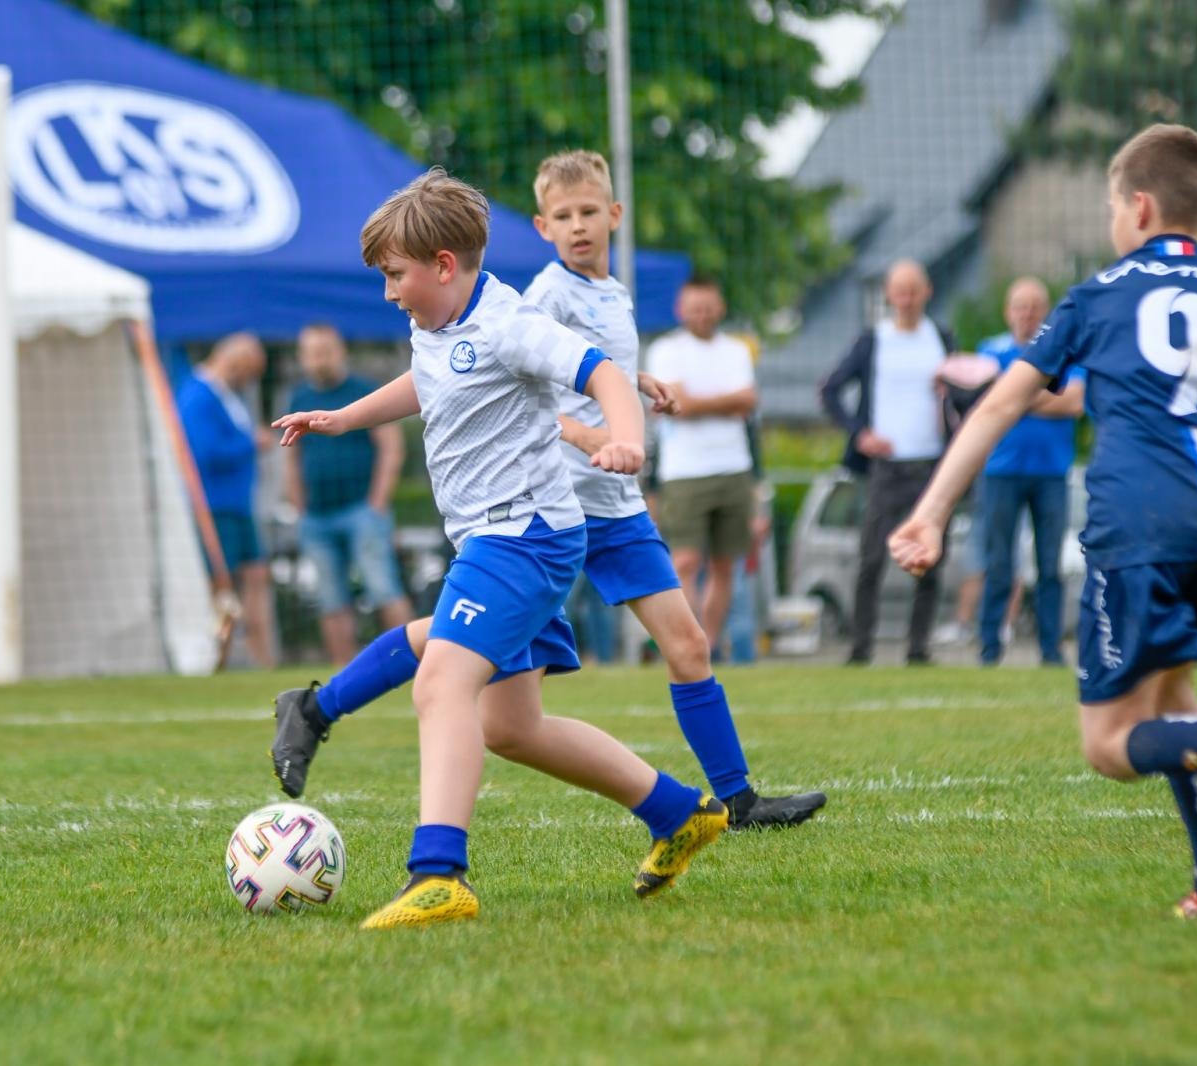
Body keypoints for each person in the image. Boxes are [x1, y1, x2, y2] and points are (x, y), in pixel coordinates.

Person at [268, 149, 824, 833]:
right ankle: (324, 715)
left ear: (614, 215)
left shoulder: (610, 295)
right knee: (475, 671)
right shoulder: (534, 299)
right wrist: (597, 436)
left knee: (677, 647)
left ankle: (730, 804)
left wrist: (633, 386)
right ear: (542, 227)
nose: (578, 226)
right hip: (551, 501)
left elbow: (581, 368)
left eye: (589, 212)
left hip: (600, 505)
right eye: (563, 216)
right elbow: (505, 380)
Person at [890, 124, 1197, 921]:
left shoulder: (1100, 294)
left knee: (1108, 745)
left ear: (1138, 207)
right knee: (1174, 697)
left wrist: (929, 513)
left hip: (1138, 523)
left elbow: (999, 404)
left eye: (1110, 206)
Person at [820, 260, 957, 665]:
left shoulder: (941, 339)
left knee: (929, 558)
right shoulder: (873, 340)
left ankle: (918, 647)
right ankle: (861, 646)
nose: (907, 299)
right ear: (889, 295)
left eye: (914, 291)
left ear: (927, 292)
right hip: (886, 466)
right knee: (872, 559)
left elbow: (962, 394)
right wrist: (859, 434)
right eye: (900, 291)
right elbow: (830, 390)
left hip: (932, 465)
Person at [284, 323, 413, 665]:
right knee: (330, 599)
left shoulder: (364, 391)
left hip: (361, 509)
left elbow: (390, 447)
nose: (320, 360)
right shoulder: (298, 398)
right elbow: (291, 457)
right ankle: (346, 673)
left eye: (325, 352)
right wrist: (298, 505)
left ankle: (408, 661)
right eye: (313, 353)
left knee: (382, 587)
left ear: (340, 351)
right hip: (316, 514)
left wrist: (377, 502)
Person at [644, 277, 759, 653]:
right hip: (684, 473)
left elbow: (748, 401)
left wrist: (697, 401)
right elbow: (679, 406)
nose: (703, 315)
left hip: (734, 469)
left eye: (708, 307)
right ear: (681, 310)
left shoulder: (737, 350)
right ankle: (687, 642)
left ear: (720, 308)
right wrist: (725, 402)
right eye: (695, 308)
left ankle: (707, 645)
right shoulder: (666, 350)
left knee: (726, 566)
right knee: (686, 561)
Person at [976, 277, 1086, 666]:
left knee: (1049, 566)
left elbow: (1074, 402)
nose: (1028, 314)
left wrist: (1015, 396)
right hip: (1001, 472)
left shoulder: (1065, 351)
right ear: (1009, 312)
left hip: (1051, 473)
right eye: (1021, 307)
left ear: (1046, 312)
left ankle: (1050, 648)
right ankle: (990, 646)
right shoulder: (990, 351)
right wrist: (1041, 397)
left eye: (1035, 307)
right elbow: (985, 398)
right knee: (998, 563)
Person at [177, 332, 276, 668]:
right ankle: (215, 659)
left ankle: (262, 659)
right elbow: (204, 453)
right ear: (236, 363)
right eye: (249, 372)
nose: (249, 381)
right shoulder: (198, 396)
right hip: (214, 508)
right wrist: (251, 443)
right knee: (220, 586)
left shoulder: (225, 395)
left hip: (238, 506)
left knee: (256, 576)